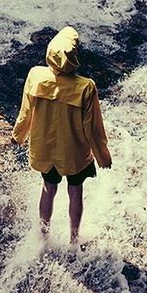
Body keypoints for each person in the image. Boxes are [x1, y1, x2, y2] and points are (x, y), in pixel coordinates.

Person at [11, 26, 112, 244]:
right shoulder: (86, 86)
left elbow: (26, 112)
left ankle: (43, 235)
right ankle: (74, 240)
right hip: (73, 152)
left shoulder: (36, 75)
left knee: (48, 189)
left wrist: (19, 135)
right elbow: (93, 127)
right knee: (75, 192)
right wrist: (102, 156)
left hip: (44, 149)